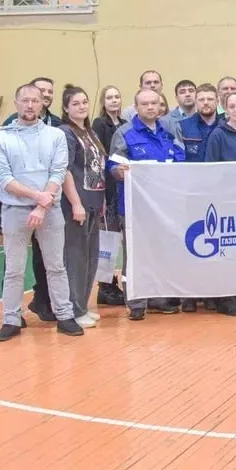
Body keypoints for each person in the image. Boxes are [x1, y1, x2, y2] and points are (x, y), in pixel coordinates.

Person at [0, 84, 79, 341]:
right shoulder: (0, 138)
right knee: (13, 269)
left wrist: (42, 204)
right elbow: (3, 178)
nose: (30, 105)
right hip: (14, 211)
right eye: (25, 100)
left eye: (35, 101)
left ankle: (65, 316)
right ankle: (11, 319)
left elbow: (58, 171)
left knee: (56, 266)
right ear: (16, 103)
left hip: (50, 210)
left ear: (42, 104)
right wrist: (36, 196)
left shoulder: (56, 135)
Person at [109, 88, 186, 320]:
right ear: (136, 107)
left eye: (155, 103)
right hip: (134, 207)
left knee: (160, 253)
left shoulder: (169, 131)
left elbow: (181, 162)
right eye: (145, 104)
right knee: (134, 256)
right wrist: (119, 171)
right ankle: (135, 302)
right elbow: (113, 166)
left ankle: (157, 298)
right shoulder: (124, 133)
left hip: (163, 207)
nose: (151, 107)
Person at [201, 91, 236, 316]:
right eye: (231, 106)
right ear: (225, 109)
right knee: (225, 249)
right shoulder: (218, 135)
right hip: (226, 200)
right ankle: (225, 297)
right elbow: (211, 168)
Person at [59, 86, 106, 330]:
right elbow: (65, 170)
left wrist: (102, 199)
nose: (81, 107)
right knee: (76, 258)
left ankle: (84, 305)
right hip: (76, 205)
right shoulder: (66, 133)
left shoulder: (90, 133)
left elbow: (97, 168)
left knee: (90, 256)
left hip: (94, 202)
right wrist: (76, 203)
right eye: (75, 103)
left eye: (85, 102)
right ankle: (74, 309)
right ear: (66, 108)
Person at [91, 85, 127, 307]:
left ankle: (120, 283)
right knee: (108, 238)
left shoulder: (125, 124)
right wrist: (101, 191)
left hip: (123, 188)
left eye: (117, 97)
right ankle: (105, 286)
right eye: (109, 97)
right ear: (103, 102)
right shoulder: (99, 124)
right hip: (108, 188)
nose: (114, 100)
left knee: (121, 238)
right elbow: (100, 158)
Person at [177, 84, 219, 162]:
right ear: (196, 102)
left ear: (217, 101)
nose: (206, 103)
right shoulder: (182, 127)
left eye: (210, 99)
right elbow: (179, 158)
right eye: (201, 100)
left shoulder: (225, 126)